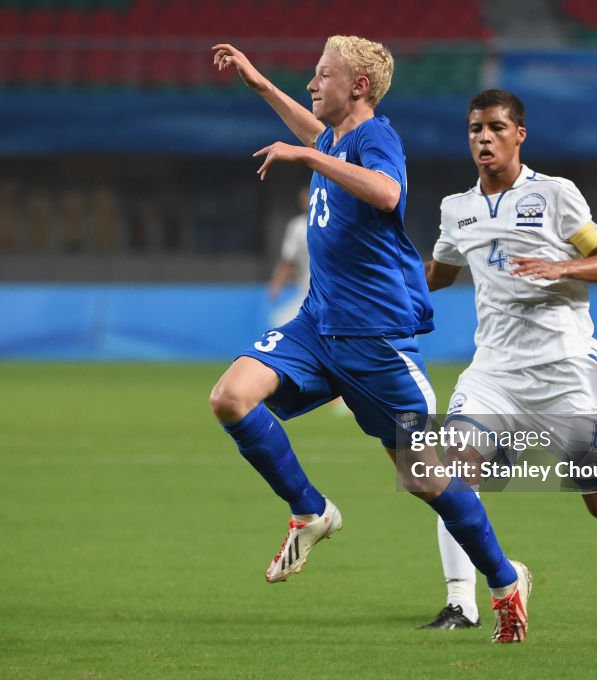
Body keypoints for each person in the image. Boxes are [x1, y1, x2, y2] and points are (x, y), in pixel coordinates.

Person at [209, 40, 532, 643]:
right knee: (230, 397)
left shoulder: (377, 137)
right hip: (317, 325)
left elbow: (386, 192)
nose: (311, 82)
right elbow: (312, 131)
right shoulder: (334, 138)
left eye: (322, 74)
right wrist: (258, 81)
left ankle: (505, 580)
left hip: (376, 341)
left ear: (357, 86)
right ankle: (311, 511)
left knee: (424, 479)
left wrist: (308, 159)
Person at [419, 89, 597, 630]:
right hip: (493, 371)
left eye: (496, 127)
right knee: (445, 474)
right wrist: (384, 291)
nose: (484, 138)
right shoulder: (458, 210)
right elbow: (439, 275)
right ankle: (463, 601)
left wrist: (559, 268)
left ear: (519, 134)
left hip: (563, 370)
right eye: (475, 129)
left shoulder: (556, 195)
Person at [266, 185, 311, 328]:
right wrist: (276, 284)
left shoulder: (334, 221)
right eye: (304, 199)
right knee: (281, 322)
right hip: (307, 289)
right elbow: (288, 261)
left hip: (332, 289)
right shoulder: (297, 227)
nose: (306, 202)